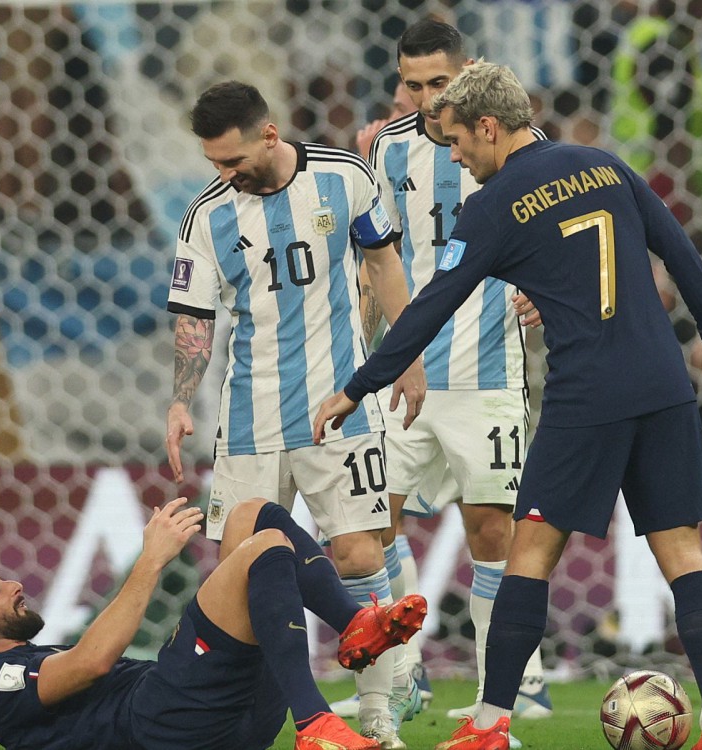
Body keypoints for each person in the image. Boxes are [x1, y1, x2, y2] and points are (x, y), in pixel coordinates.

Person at [313, 62, 702, 750]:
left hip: (587, 395)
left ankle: (489, 727)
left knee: (530, 555)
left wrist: (359, 384)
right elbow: (678, 249)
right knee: (686, 555)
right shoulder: (603, 165)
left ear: (490, 127)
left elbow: (431, 304)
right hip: (665, 382)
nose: (454, 156)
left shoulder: (495, 204)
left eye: (457, 141)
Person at [163, 80, 426, 748]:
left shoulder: (345, 178)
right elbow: (194, 320)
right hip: (248, 416)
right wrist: (179, 401)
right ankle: (245, 724)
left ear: (270, 135)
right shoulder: (207, 217)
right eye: (213, 164)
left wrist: (407, 352)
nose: (223, 175)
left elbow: (383, 262)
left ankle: (374, 720)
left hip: (341, 406)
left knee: (361, 551)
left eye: (231, 161)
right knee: (242, 573)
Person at [332, 21, 552, 736]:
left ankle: (498, 704)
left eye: (439, 83)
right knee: (375, 522)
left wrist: (543, 290)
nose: (426, 98)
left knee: (492, 528)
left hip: (488, 370)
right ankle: (403, 678)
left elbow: (559, 240)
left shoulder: (522, 147)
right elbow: (377, 255)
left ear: (470, 73)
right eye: (413, 83)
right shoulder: (387, 149)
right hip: (409, 369)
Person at [0, 497, 428, 750]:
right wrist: (150, 560)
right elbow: (92, 663)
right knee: (265, 547)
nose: (14, 585)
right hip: (164, 721)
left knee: (254, 515)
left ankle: (354, 622)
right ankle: (315, 722)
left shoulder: (27, 658)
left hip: (210, 720)